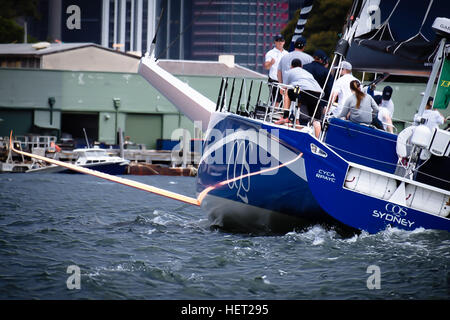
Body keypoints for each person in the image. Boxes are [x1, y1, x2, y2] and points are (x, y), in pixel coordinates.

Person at [281, 59, 323, 137]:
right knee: (316, 120)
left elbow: (284, 87)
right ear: (301, 66)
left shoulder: (289, 72)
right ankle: (317, 142)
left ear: (291, 66)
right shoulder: (307, 73)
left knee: (287, 91)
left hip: (305, 91)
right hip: (318, 93)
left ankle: (285, 116)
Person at [264, 34, 288, 105]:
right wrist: (271, 63)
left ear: (284, 42)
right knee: (276, 100)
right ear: (275, 42)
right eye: (278, 41)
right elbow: (266, 67)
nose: (280, 42)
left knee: (285, 100)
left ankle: (282, 115)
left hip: (284, 81)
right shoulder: (270, 53)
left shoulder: (287, 53)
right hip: (274, 80)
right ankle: (274, 114)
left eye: (281, 41)